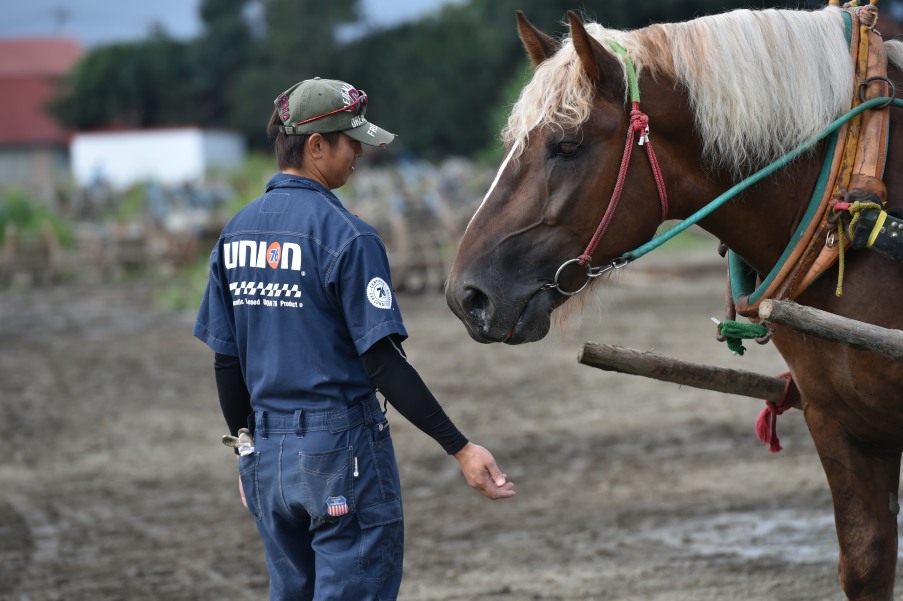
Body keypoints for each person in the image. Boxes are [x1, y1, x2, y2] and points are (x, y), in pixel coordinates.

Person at [193, 77, 516, 600]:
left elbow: (226, 362)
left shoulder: (235, 233)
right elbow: (382, 362)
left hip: (269, 459)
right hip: (340, 453)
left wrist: (248, 451)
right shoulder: (349, 236)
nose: (360, 153)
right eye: (352, 141)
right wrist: (460, 448)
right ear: (316, 146)